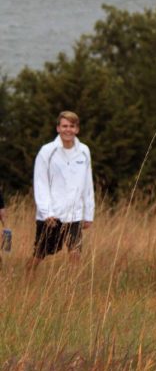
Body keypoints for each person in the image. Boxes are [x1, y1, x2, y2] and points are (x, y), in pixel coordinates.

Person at [30, 111, 95, 269]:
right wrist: (47, 212)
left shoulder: (84, 151)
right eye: (64, 126)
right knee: (40, 254)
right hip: (52, 215)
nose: (68, 130)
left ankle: (73, 291)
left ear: (77, 129)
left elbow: (87, 183)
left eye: (72, 126)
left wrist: (88, 214)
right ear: (58, 128)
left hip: (75, 214)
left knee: (75, 253)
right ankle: (28, 279)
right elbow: (40, 183)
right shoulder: (47, 151)